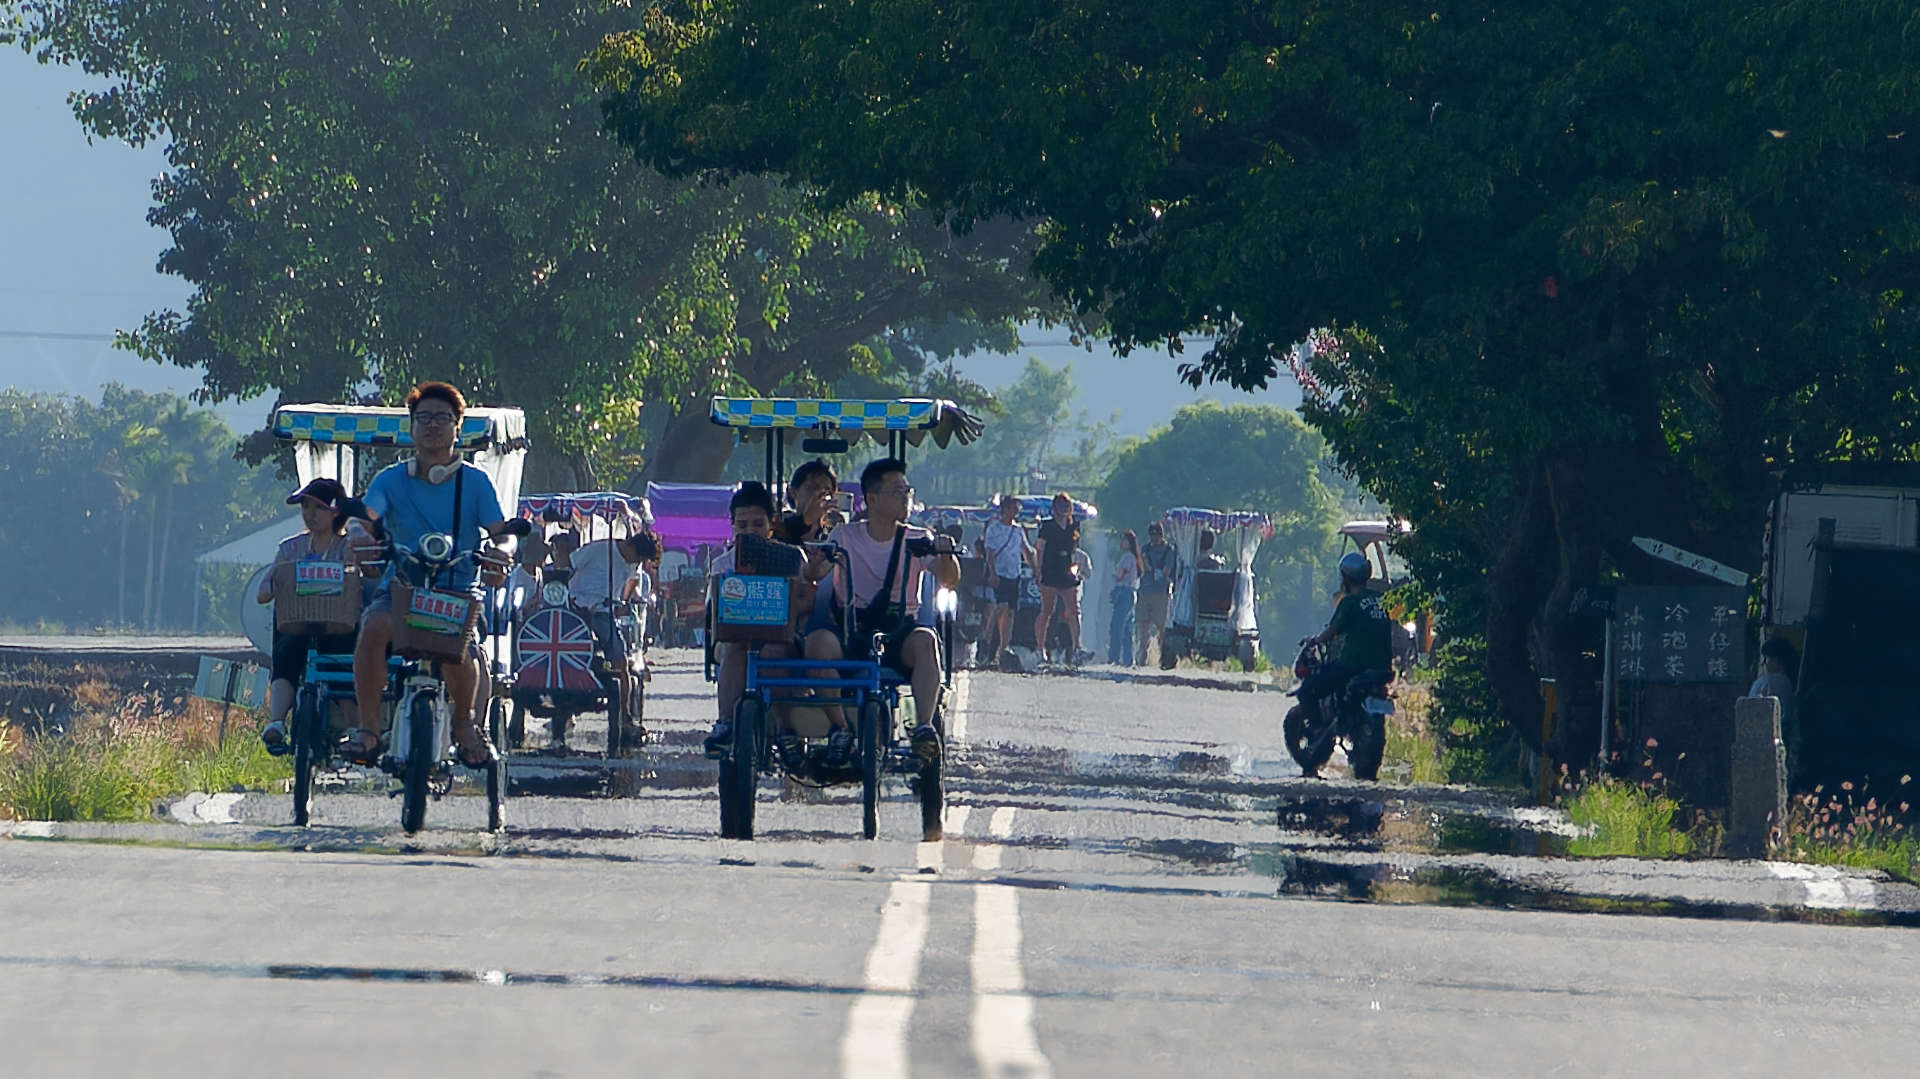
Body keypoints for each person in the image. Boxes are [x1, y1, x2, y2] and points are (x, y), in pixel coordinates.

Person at [347, 382, 519, 767]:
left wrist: (501, 553)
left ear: (458, 428)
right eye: (423, 418)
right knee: (373, 627)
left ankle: (464, 724)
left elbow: (501, 532)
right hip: (401, 590)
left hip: (457, 593)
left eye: (442, 418)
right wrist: (359, 536)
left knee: (462, 651)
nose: (432, 426)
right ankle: (369, 729)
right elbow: (365, 519)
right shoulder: (390, 479)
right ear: (411, 426)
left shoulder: (475, 482)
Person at [814, 458, 959, 768]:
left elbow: (949, 578)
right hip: (851, 630)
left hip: (898, 633)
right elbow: (817, 572)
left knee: (926, 641)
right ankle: (840, 728)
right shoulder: (844, 536)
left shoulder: (919, 538)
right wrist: (815, 561)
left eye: (907, 490)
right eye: (897, 491)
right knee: (816, 645)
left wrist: (945, 552)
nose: (905, 497)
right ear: (872, 499)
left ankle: (923, 728)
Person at [703, 482, 840, 767]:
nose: (750, 531)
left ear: (771, 524)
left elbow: (808, 600)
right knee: (734, 649)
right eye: (742, 525)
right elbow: (715, 612)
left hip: (781, 640)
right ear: (732, 526)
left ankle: (784, 729)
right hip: (733, 642)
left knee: (772, 654)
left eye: (757, 524)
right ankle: (725, 722)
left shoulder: (792, 558)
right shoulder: (721, 565)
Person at [256, 477, 359, 753]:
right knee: (287, 651)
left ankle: (356, 728)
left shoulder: (351, 548)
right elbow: (264, 591)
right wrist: (275, 584)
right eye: (306, 507)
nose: (310, 514)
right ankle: (277, 721)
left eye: (318, 508)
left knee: (341, 662)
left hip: (339, 624)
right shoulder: (290, 548)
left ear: (336, 511)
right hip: (297, 623)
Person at [567, 530, 652, 738]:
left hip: (605, 613)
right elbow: (568, 566)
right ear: (631, 547)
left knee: (621, 663)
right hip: (578, 610)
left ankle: (625, 716)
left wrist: (624, 601)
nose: (637, 563)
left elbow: (632, 581)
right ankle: (567, 711)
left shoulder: (633, 563)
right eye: (638, 558)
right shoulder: (598, 549)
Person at [1297, 552, 1395, 731]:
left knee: (1307, 690)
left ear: (1345, 577)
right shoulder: (1382, 599)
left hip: (1353, 666)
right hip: (1383, 667)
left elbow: (1332, 630)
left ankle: (1317, 728)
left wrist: (1315, 640)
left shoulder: (1350, 601)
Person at [1033, 492, 1092, 666]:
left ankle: (1077, 648)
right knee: (1047, 611)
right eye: (1060, 505)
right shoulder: (1047, 526)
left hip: (1066, 571)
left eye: (1066, 505)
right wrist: (1038, 570)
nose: (1063, 508)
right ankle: (1040, 648)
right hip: (1050, 571)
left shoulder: (1074, 526)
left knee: (1073, 610)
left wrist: (1076, 568)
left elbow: (1073, 549)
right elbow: (1040, 548)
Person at [981, 495, 1031, 664]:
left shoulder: (1018, 530)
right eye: (1012, 507)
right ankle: (986, 638)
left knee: (1010, 611)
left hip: (1014, 573)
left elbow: (1026, 550)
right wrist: (992, 573)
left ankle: (1004, 647)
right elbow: (990, 552)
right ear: (1004, 509)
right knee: (1000, 606)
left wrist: (1035, 570)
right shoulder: (994, 528)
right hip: (1000, 573)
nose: (1015, 511)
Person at [1137, 521, 1178, 666]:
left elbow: (1167, 570)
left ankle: (1163, 658)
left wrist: (1153, 569)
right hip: (1145, 591)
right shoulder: (1145, 549)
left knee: (1162, 628)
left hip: (1161, 593)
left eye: (1157, 535)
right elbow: (1141, 568)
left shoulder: (1169, 551)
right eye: (1152, 535)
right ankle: (1142, 657)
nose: (1154, 539)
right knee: (1143, 627)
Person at [779, 458, 846, 544]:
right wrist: (807, 520)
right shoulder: (782, 527)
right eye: (814, 487)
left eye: (826, 490)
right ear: (793, 492)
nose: (820, 494)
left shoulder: (834, 530)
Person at [1108, 529, 1142, 665]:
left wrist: (1115, 576)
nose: (1122, 543)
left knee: (1117, 626)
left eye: (1124, 540)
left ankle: (1114, 657)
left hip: (1124, 592)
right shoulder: (1134, 558)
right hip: (1131, 592)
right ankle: (1128, 659)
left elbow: (1121, 575)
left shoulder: (1127, 557)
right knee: (1128, 628)